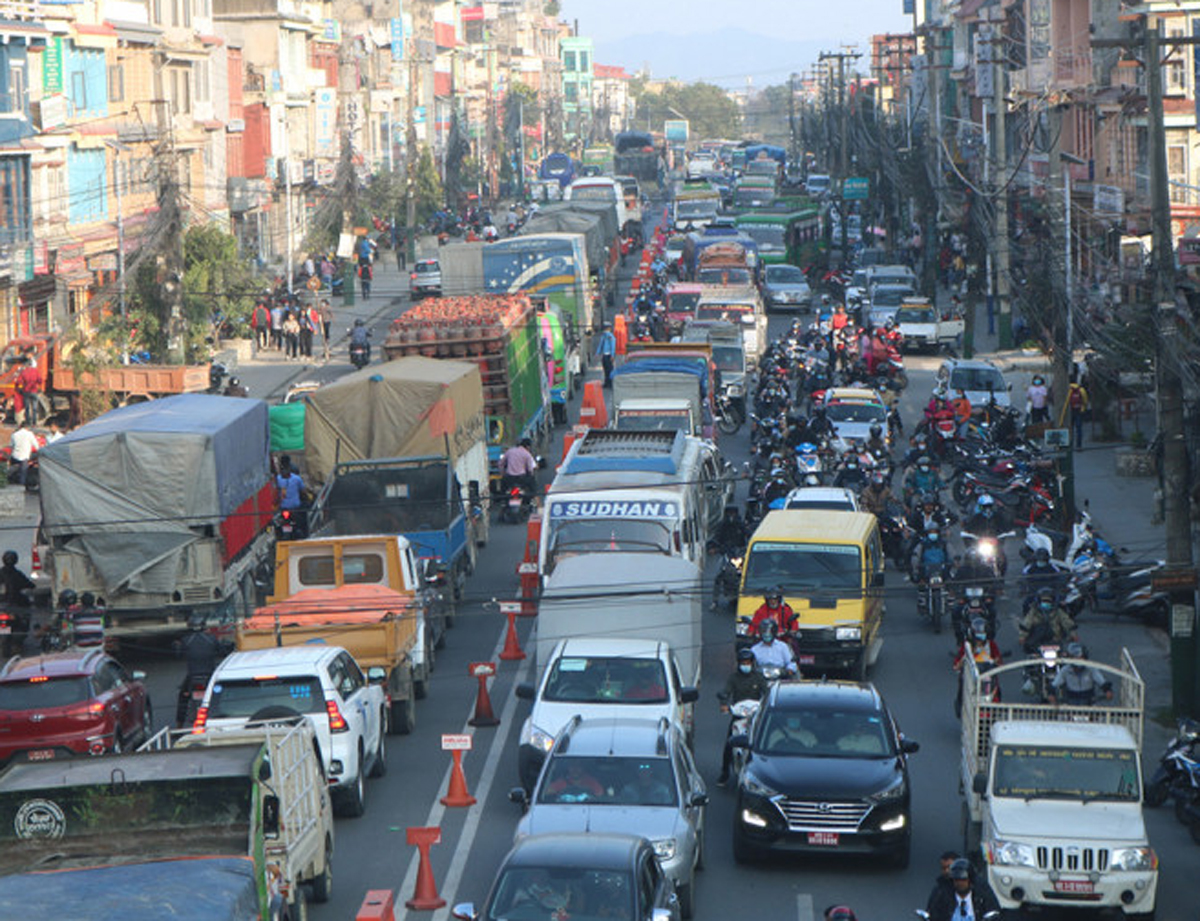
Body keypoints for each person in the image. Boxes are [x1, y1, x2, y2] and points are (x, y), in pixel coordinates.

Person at [717, 647, 769, 785]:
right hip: (739, 715)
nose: (745, 665)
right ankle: (724, 773)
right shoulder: (733, 678)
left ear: (752, 663)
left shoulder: (759, 678)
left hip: (755, 717)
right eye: (743, 662)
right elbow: (726, 691)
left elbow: (766, 692)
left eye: (748, 662)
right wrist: (724, 703)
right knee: (730, 743)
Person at [175, 612, 227, 726]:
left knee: (183, 698)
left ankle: (179, 725)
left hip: (193, 676)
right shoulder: (211, 639)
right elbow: (223, 652)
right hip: (210, 675)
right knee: (221, 695)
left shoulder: (186, 640)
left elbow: (178, 654)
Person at [927, 858, 1000, 921]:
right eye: (956, 880)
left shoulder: (982, 894)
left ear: (970, 880)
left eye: (963, 879)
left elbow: (994, 913)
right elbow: (933, 915)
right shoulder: (942, 895)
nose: (959, 883)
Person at [1049, 642, 1114, 705]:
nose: (1078, 661)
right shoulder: (1065, 670)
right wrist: (1052, 694)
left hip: (1088, 701)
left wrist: (1107, 690)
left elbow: (1101, 681)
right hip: (1071, 701)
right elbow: (1055, 684)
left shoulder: (1091, 669)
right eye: (1075, 658)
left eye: (1081, 658)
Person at [1018, 587, 1077, 653]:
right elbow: (1026, 623)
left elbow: (1066, 622)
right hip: (1037, 640)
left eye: (1048, 601)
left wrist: (1073, 634)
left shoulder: (1058, 611)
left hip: (1055, 639)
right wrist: (1022, 636)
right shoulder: (1033, 612)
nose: (1046, 603)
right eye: (1043, 601)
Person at [275, 455, 308, 538]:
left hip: (282, 508)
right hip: (295, 507)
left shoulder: (278, 479)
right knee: (304, 519)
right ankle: (306, 535)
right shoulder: (297, 479)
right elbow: (303, 492)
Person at [500, 437, 538, 503]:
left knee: (503, 490)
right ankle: (531, 500)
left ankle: (503, 501)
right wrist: (531, 475)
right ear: (528, 447)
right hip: (522, 479)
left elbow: (501, 463)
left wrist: (503, 473)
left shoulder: (510, 451)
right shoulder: (527, 454)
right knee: (533, 488)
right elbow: (530, 469)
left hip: (509, 479)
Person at [925, 851, 962, 915]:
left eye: (949, 867)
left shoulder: (973, 887)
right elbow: (931, 911)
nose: (947, 871)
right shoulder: (939, 890)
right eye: (944, 868)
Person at [9, 420, 38, 486]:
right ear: (27, 427)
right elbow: (36, 446)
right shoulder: (30, 434)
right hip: (25, 456)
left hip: (15, 456)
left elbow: (11, 446)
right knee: (23, 472)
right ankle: (22, 485)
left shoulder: (14, 434)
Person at [15, 358, 43, 426]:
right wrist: (37, 384)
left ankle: (28, 422)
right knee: (34, 408)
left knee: (27, 407)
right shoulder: (36, 371)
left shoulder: (24, 371)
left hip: (26, 391)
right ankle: (34, 423)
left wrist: (18, 387)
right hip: (34, 391)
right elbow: (40, 380)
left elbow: (19, 381)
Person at [1066, 377, 1089, 448]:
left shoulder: (1067, 389)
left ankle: (1069, 444)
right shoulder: (1081, 389)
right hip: (1079, 410)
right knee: (1079, 429)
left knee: (1069, 428)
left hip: (1070, 411)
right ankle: (1079, 445)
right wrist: (1083, 409)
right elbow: (1085, 401)